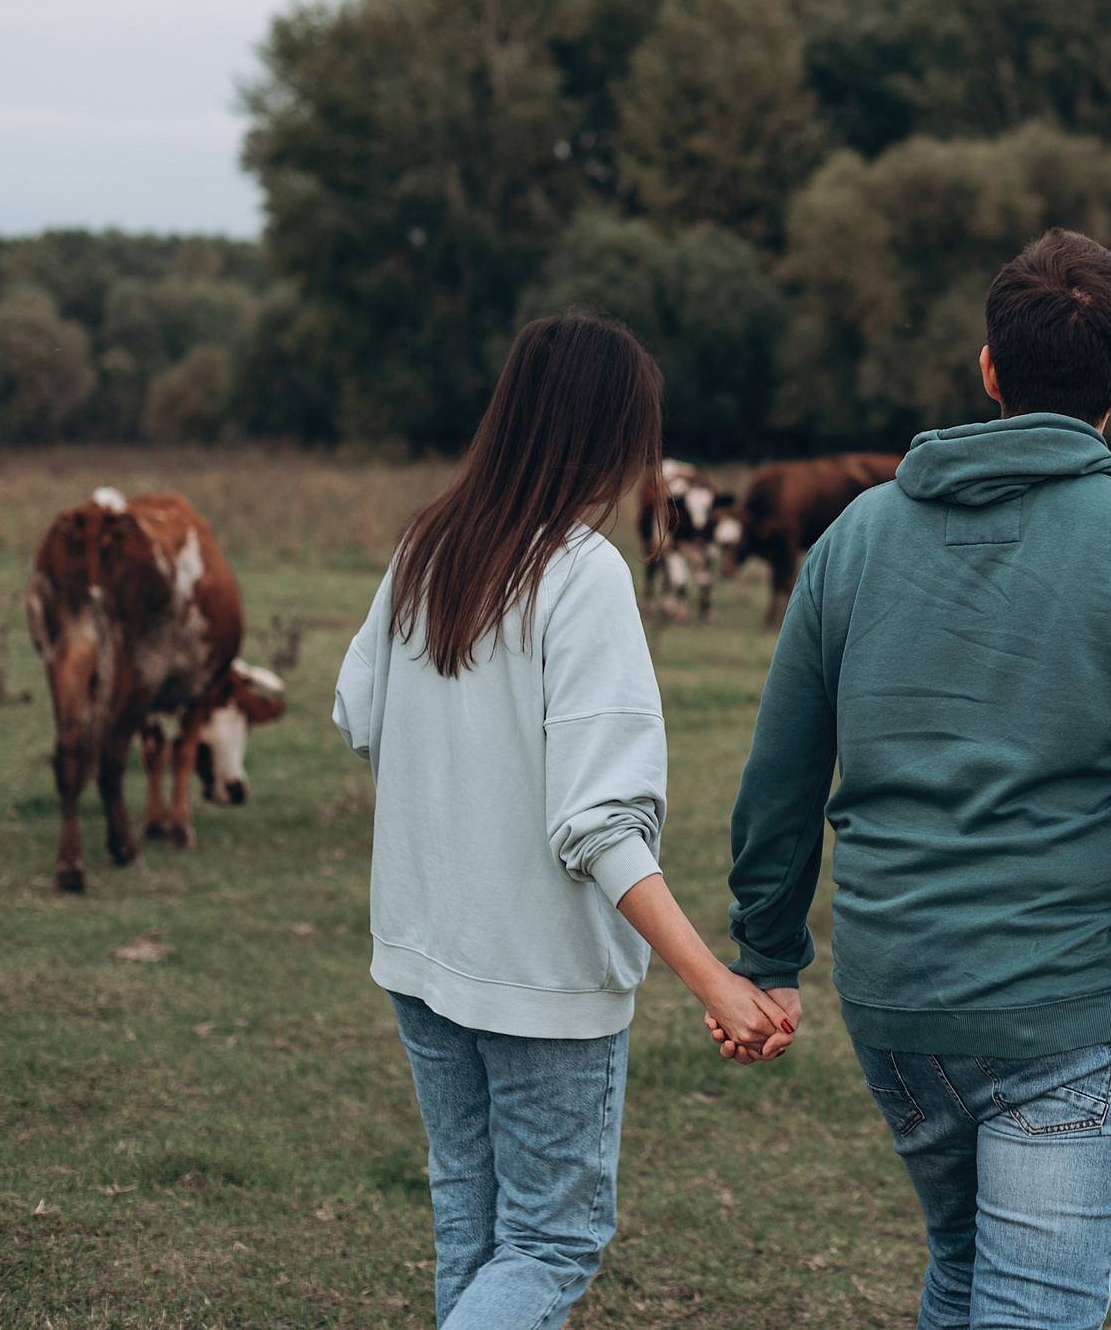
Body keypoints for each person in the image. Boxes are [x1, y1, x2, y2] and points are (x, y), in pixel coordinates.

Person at [722, 229, 1111, 1330]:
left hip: (897, 999)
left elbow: (780, 771)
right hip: (1074, 1009)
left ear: (988, 368)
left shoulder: (853, 536)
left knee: (963, 1268)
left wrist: (769, 948)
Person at [334, 314, 793, 1330]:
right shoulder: (582, 573)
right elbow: (599, 822)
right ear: (613, 437)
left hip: (422, 952)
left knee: (474, 1215)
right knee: (550, 1239)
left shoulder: (426, 541)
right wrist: (715, 978)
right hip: (538, 976)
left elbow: (356, 711)